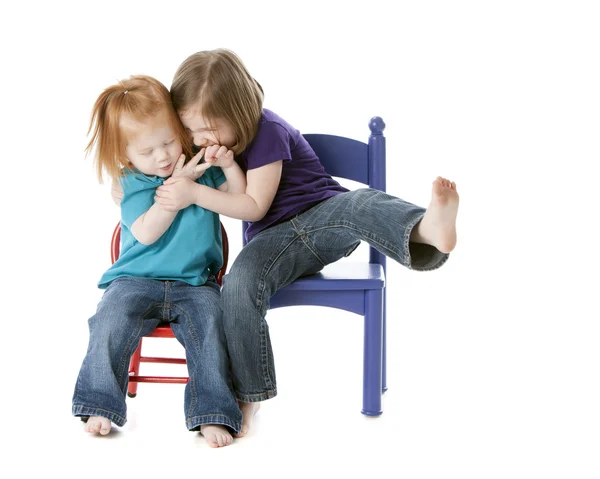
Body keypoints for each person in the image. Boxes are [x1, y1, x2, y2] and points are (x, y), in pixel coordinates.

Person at [150, 48, 459, 437]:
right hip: (273, 245)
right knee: (240, 283)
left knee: (357, 201)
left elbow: (253, 205)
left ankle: (426, 229)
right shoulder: (205, 148)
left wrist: (194, 194)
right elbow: (158, 172)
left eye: (208, 128)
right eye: (190, 130)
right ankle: (249, 395)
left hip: (322, 217)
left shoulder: (267, 131)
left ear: (241, 110)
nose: (198, 140)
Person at [72, 74, 247, 448]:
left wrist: (229, 165)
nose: (164, 156)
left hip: (196, 283)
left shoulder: (199, 169)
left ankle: (212, 411)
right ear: (127, 157)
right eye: (148, 152)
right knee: (109, 319)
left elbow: (238, 195)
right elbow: (148, 233)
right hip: (135, 279)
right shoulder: (133, 183)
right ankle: (100, 402)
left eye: (168, 141)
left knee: (214, 326)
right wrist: (177, 189)